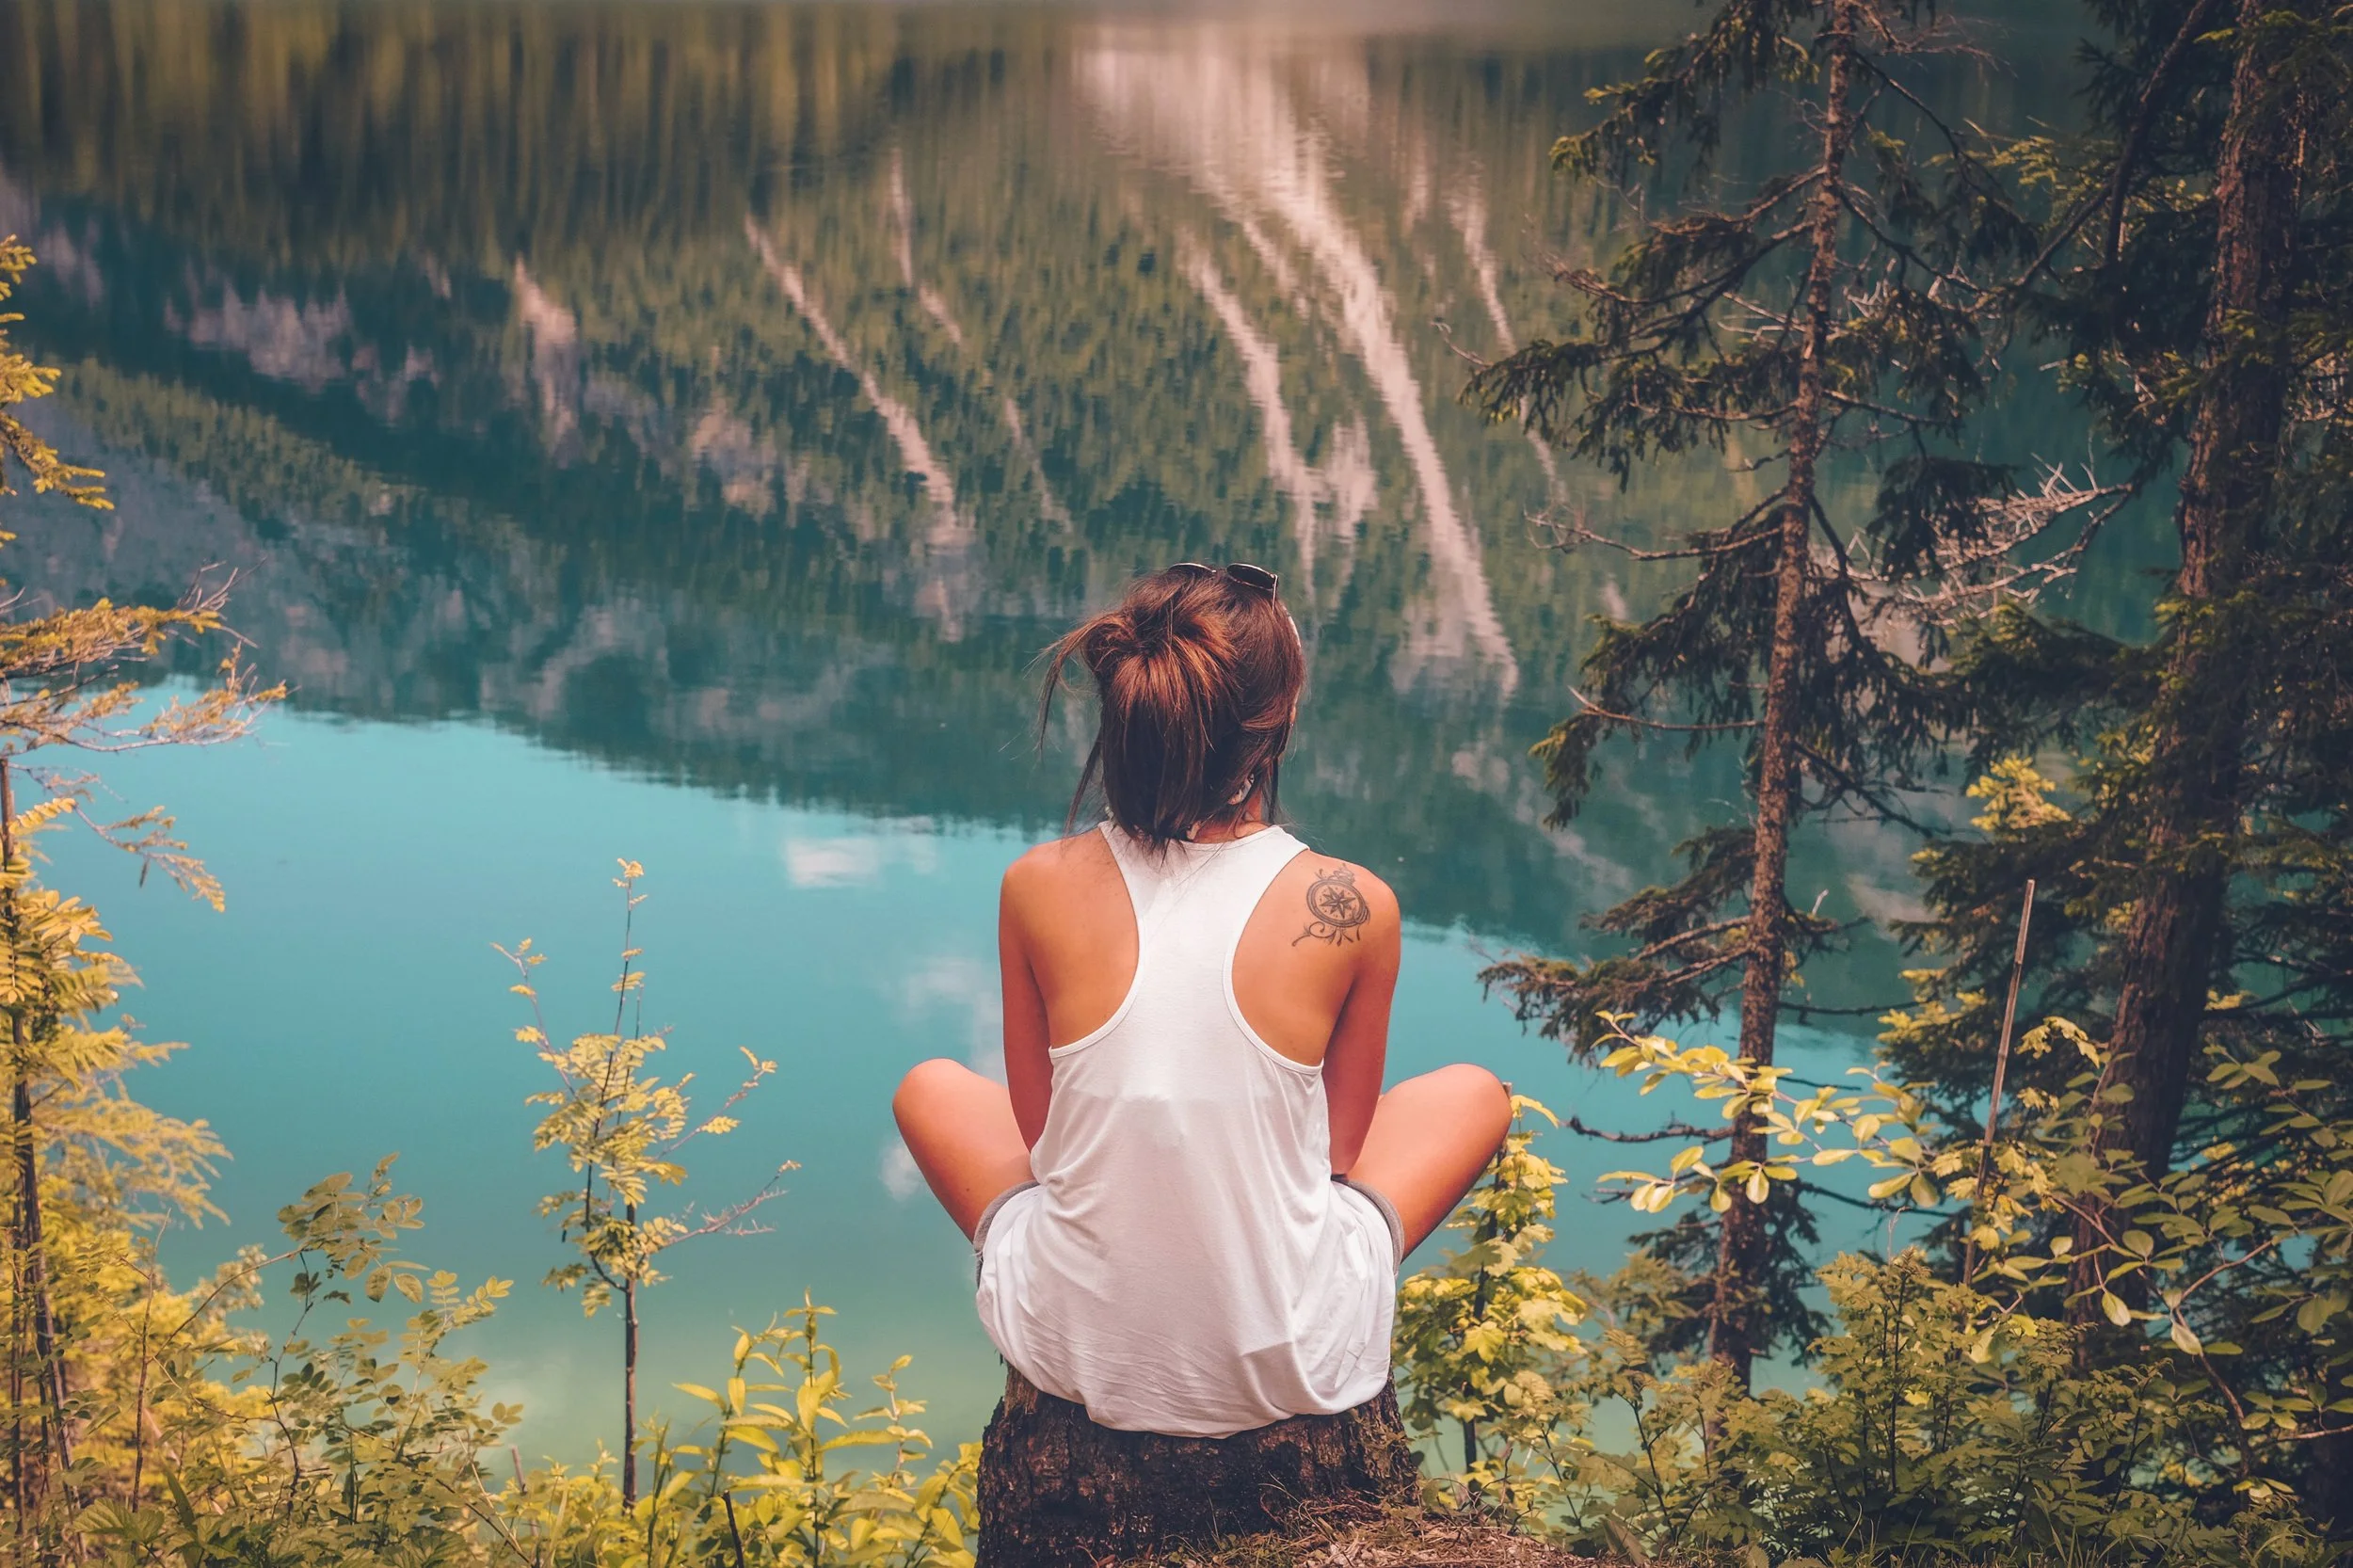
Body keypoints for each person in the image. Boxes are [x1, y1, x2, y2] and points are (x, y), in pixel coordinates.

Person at [891, 562, 1513, 1438]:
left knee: (929, 1087)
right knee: (1474, 1094)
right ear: (1270, 737)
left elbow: (1042, 1139)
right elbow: (1335, 1156)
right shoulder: (1355, 905)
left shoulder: (1036, 883)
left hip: (1074, 1348)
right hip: (1291, 1353)